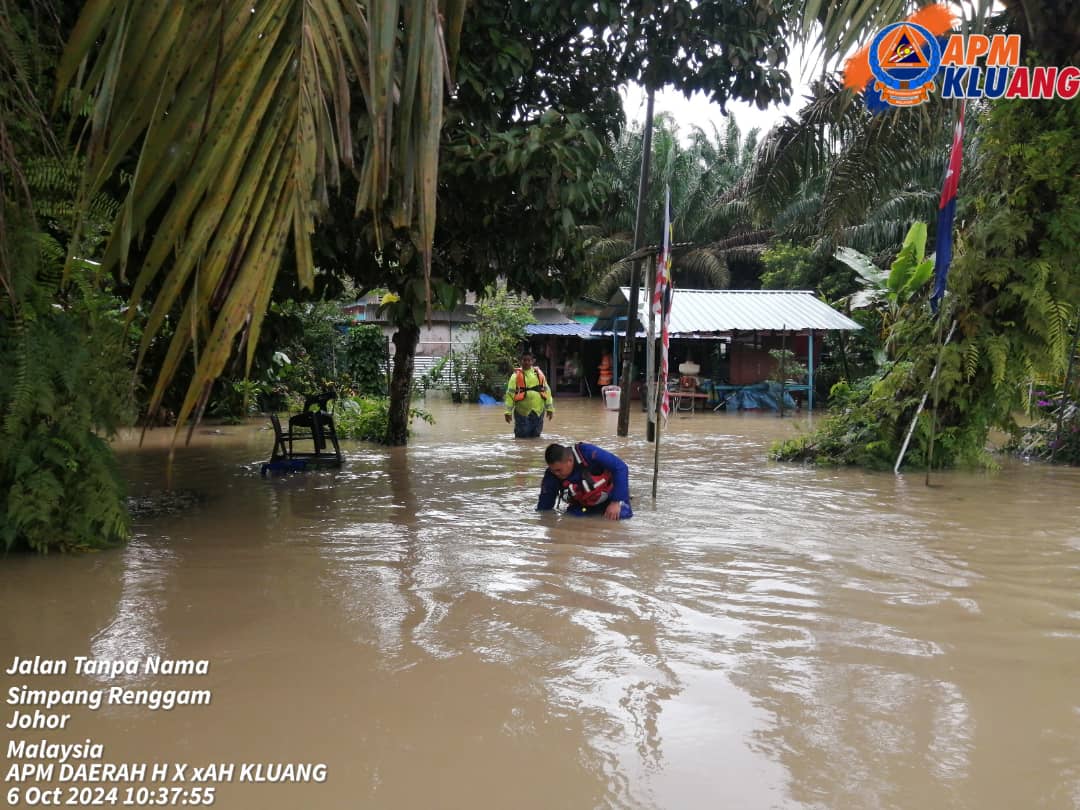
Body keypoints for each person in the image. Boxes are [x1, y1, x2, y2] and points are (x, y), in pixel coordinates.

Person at [537, 442, 633, 520]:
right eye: (552, 470)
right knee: (569, 521)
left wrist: (615, 502)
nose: (556, 474)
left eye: (558, 470)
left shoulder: (588, 453)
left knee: (621, 516)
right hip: (582, 506)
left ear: (569, 461)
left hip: (610, 499)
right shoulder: (551, 474)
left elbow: (620, 467)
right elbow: (544, 508)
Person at [504, 350, 554, 438]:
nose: (526, 362)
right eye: (524, 360)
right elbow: (510, 395)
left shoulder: (539, 374)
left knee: (536, 436)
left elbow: (547, 391)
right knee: (521, 437)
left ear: (532, 361)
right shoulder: (515, 376)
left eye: (529, 360)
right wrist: (508, 412)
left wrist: (550, 409)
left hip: (538, 411)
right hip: (522, 412)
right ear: (520, 361)